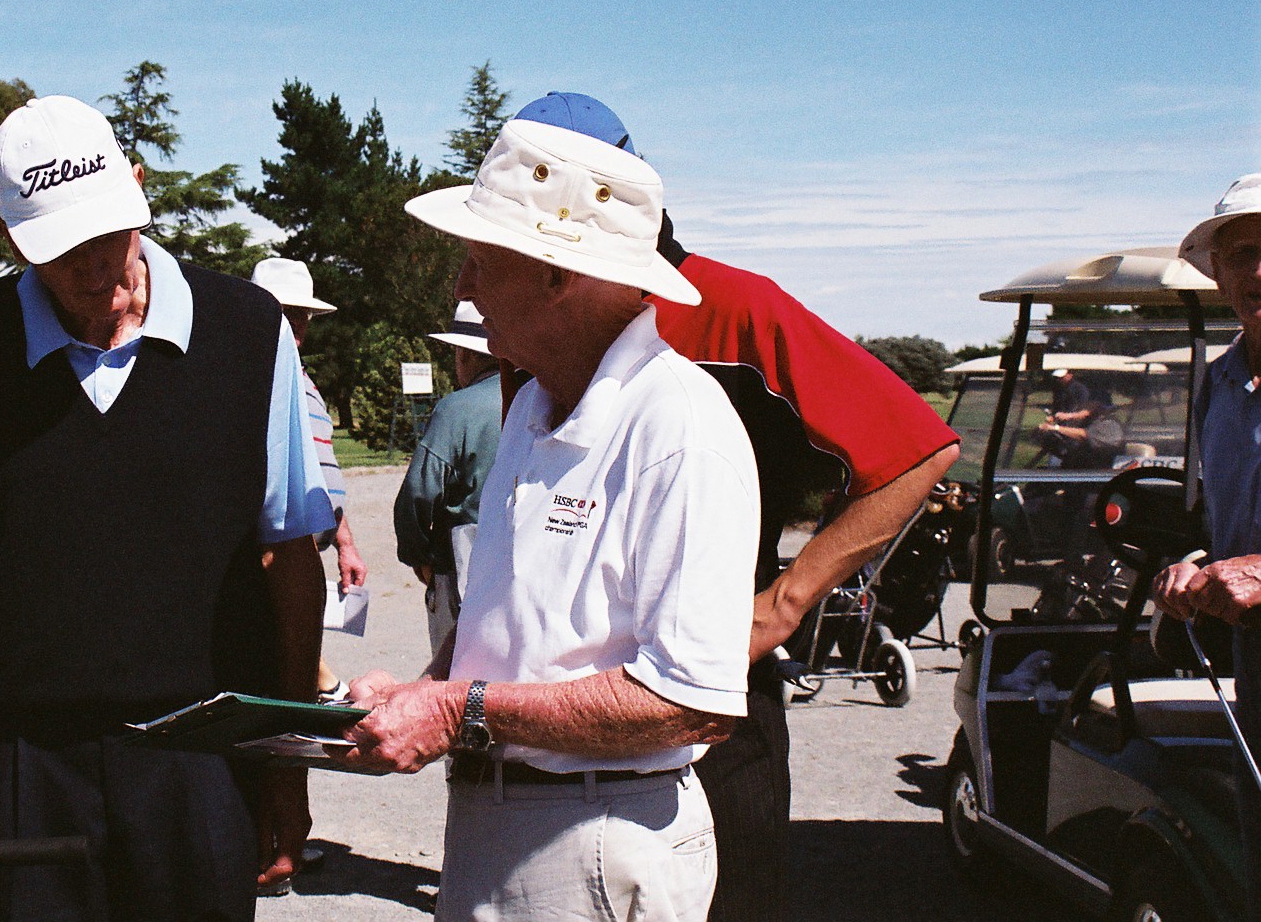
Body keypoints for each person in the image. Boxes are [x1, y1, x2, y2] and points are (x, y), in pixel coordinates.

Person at [512, 91, 960, 922]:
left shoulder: (733, 307)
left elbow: (917, 448)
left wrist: (785, 603)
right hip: (562, 718)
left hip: (714, 704)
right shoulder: (538, 323)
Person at [0, 95, 331, 921]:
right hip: (28, 763)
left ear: (138, 185)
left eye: (107, 234)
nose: (94, 269)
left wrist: (286, 763)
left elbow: (290, 557)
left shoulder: (245, 330)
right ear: (12, 237)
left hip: (203, 758)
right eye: (60, 249)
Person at [337, 117, 761, 922]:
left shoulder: (679, 426)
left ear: (557, 274)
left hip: (597, 834)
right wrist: (417, 691)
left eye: (481, 262)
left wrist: (456, 709)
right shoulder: (533, 402)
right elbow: (528, 631)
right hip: (515, 823)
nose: (461, 287)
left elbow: (691, 700)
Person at [1152, 172, 1261, 916]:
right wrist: (1191, 569)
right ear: (1217, 272)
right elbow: (1219, 526)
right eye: (1243, 253)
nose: (1258, 272)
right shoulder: (1218, 382)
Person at [249, 257, 368, 608]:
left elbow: (320, 468)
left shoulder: (304, 381)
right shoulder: (248, 380)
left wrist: (345, 542)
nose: (295, 322)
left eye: (302, 312)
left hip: (307, 555)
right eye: (284, 310)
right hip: (273, 562)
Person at [393, 300, 503, 656]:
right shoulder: (539, 396)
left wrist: (417, 554)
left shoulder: (456, 408)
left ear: (465, 354)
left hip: (459, 569)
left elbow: (418, 493)